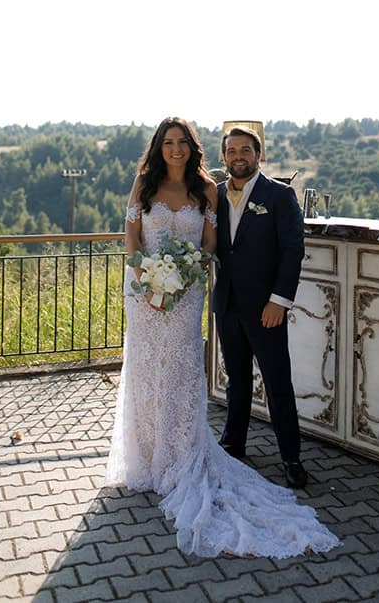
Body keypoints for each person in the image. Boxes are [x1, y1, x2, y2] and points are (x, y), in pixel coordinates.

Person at [105, 116, 340, 558]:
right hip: (156, 296)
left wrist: (186, 275)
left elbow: (227, 246)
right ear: (159, 147)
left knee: (204, 374)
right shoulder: (150, 182)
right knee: (157, 374)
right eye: (168, 142)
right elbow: (132, 238)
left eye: (244, 151)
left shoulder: (221, 191)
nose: (175, 149)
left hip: (198, 295)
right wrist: (151, 278)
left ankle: (284, 459)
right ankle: (163, 455)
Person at [212, 125, 307, 489]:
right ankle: (233, 441)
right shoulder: (215, 195)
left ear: (258, 155)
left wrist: (279, 301)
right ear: (224, 157)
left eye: (245, 150)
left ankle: (291, 457)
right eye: (232, 151)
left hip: (267, 307)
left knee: (277, 381)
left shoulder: (279, 195)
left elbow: (292, 250)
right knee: (236, 378)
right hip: (228, 303)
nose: (238, 157)